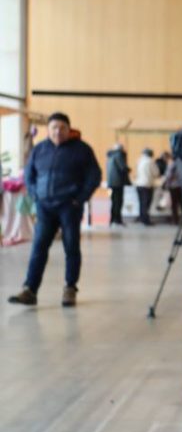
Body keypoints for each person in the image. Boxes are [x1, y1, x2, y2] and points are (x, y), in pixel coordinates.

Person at [8, 112, 101, 307]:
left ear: (68, 129)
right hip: (45, 207)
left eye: (62, 128)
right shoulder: (39, 149)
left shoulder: (82, 149)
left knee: (71, 247)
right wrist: (35, 194)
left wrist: (80, 199)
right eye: (54, 128)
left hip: (69, 207)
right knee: (39, 247)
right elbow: (29, 175)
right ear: (48, 130)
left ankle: (70, 288)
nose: (58, 131)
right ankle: (30, 290)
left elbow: (94, 175)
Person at [133, 148, 160, 226]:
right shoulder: (150, 161)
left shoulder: (139, 160)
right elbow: (156, 173)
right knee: (146, 203)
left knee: (141, 203)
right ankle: (146, 220)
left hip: (138, 184)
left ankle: (141, 218)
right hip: (147, 185)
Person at [105, 143, 130, 226]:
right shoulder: (119, 155)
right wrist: (129, 170)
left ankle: (112, 219)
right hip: (118, 182)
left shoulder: (110, 156)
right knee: (118, 202)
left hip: (111, 182)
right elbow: (123, 168)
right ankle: (117, 219)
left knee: (114, 201)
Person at [162, 154, 182, 226]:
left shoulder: (171, 165)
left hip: (173, 186)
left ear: (166, 158)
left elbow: (169, 176)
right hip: (180, 186)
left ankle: (175, 220)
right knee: (181, 204)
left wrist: (165, 184)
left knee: (174, 205)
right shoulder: (178, 164)